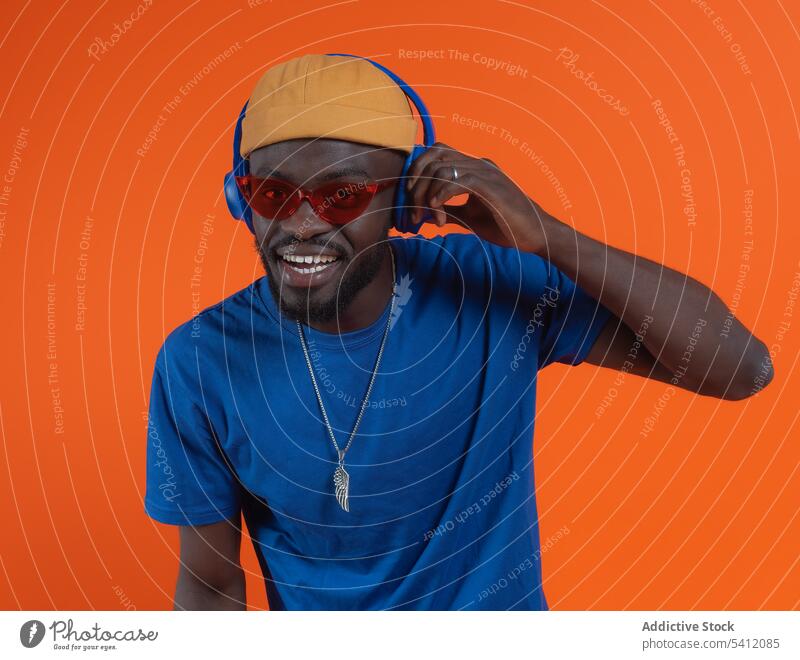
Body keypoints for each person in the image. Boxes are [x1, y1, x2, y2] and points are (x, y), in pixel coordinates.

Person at [143, 54, 772, 610]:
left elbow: (741, 370)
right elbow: (212, 584)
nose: (303, 225)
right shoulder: (199, 361)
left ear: (406, 205)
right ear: (238, 197)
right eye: (274, 195)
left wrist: (547, 237)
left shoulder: (489, 286)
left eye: (343, 196)